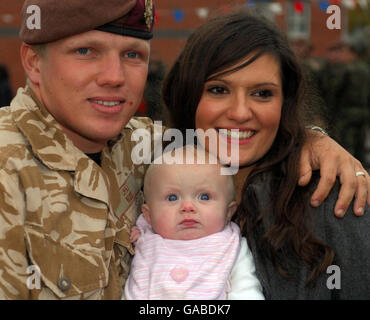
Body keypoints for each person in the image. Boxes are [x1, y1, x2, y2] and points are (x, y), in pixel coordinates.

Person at [0, 0, 368, 300]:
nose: (114, 76)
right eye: (85, 51)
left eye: (132, 55)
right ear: (33, 62)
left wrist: (311, 138)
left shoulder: (148, 146)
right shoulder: (8, 169)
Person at [163, 11, 369, 299]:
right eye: (218, 89)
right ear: (187, 95)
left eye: (262, 94)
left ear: (284, 104)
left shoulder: (330, 201)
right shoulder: (146, 183)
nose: (239, 113)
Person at [123, 147, 264, 300]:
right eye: (172, 198)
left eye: (204, 197)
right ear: (149, 216)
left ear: (229, 212)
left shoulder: (231, 245)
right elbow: (134, 290)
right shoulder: (148, 242)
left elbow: (247, 290)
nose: (187, 207)